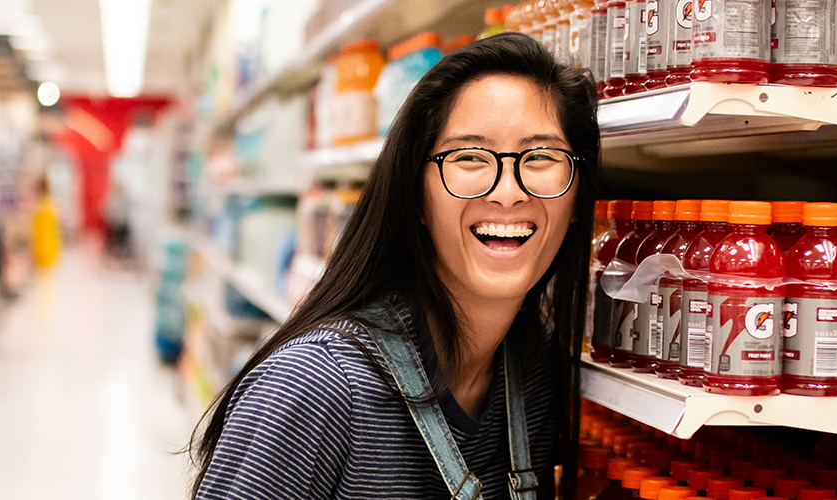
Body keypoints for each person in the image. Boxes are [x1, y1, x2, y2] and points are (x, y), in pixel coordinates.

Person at [191, 33, 599, 499]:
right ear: (416, 196)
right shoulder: (313, 387)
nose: (508, 191)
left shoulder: (534, 368)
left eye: (541, 157)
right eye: (469, 157)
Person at [30, 177, 61, 271]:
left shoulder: (41, 209)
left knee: (44, 280)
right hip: (52, 248)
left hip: (43, 251)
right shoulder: (52, 204)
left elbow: (40, 234)